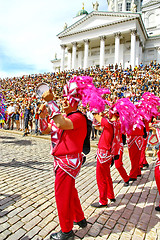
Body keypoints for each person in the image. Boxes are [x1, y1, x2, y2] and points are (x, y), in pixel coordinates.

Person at [39, 82, 87, 240]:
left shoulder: (78, 117)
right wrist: (42, 116)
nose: (64, 101)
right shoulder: (65, 116)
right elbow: (46, 129)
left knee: (62, 196)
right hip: (62, 161)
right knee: (71, 192)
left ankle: (66, 231)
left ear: (75, 102)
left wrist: (50, 102)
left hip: (67, 163)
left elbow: (60, 124)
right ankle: (80, 218)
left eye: (68, 99)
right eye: (63, 99)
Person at [90, 111, 116, 208]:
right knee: (107, 176)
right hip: (108, 152)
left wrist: (94, 107)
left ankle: (103, 200)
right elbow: (97, 126)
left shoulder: (109, 123)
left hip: (104, 152)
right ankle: (111, 195)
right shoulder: (114, 124)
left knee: (101, 177)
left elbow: (96, 116)